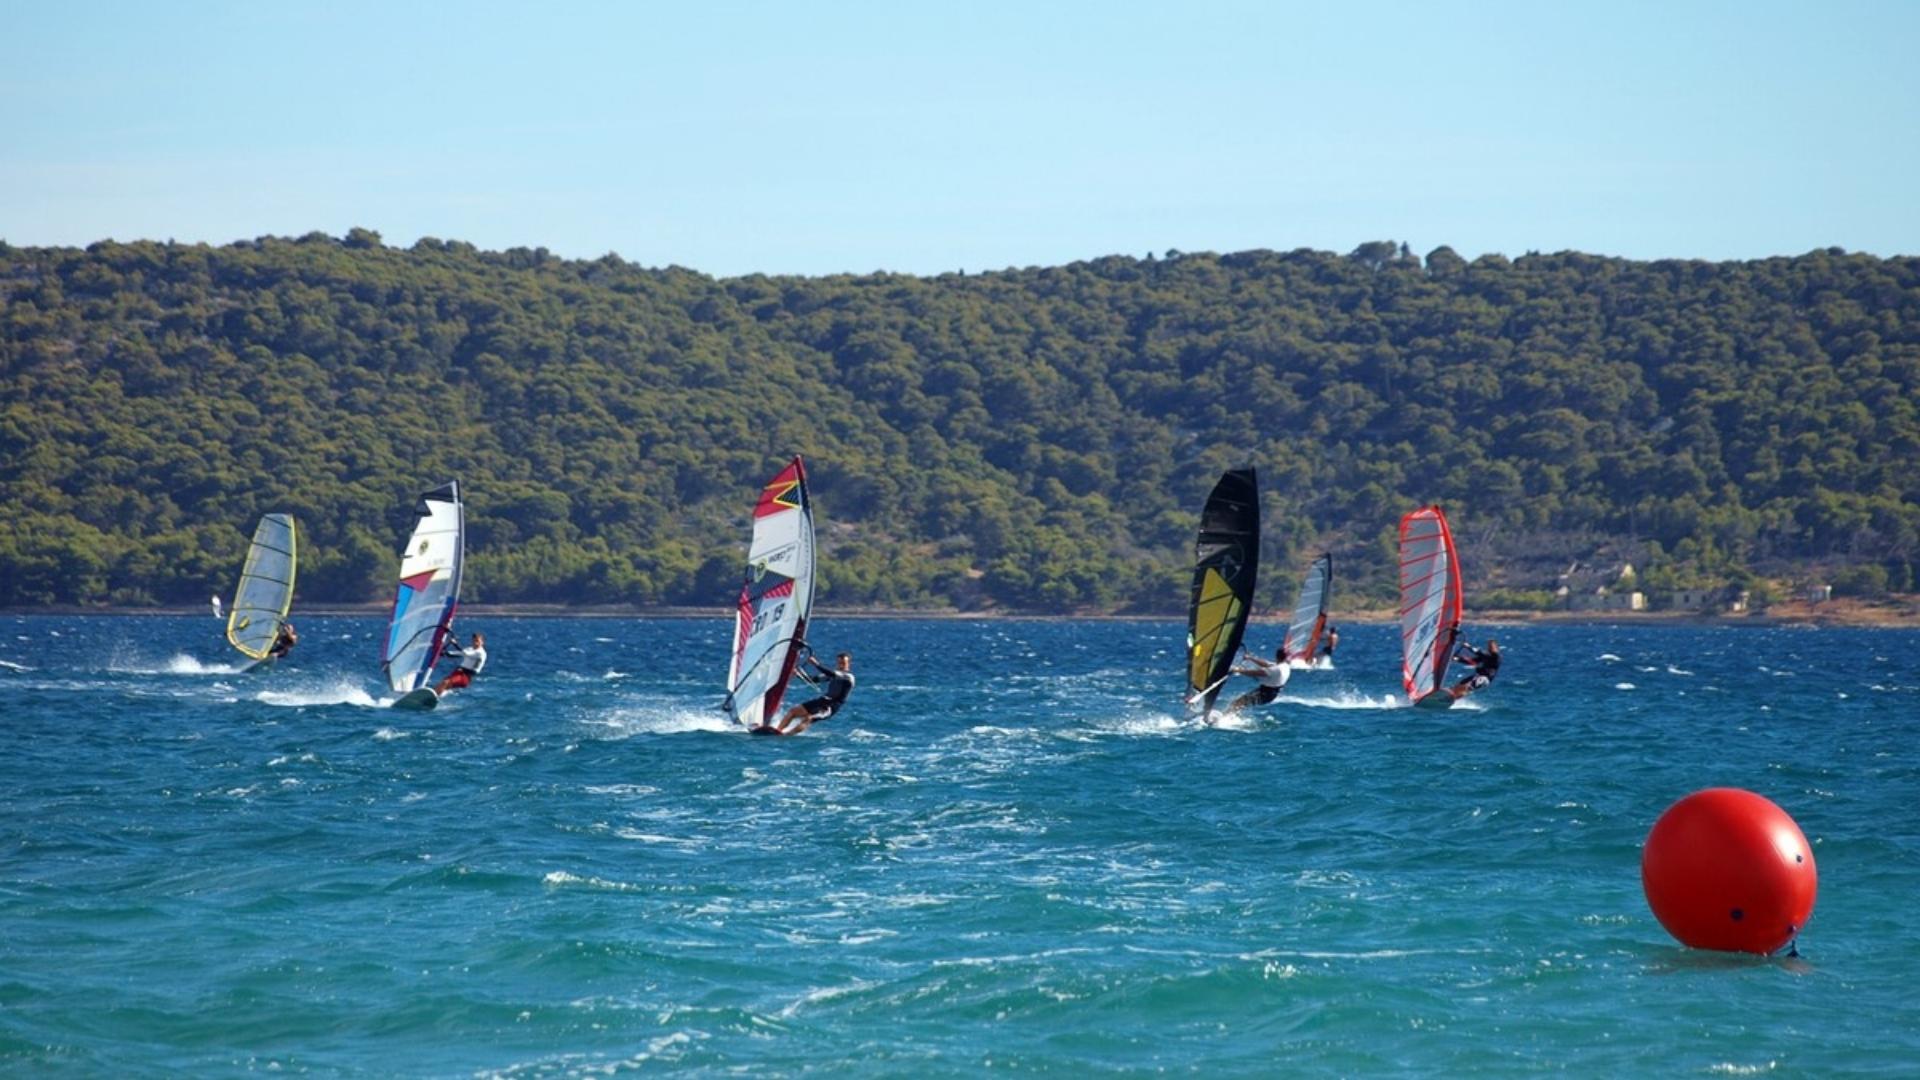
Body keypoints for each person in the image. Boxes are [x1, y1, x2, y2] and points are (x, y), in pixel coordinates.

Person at [773, 651, 854, 734]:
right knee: (793, 711)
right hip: (823, 700)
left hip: (831, 706)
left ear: (849, 664)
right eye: (839, 663)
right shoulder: (834, 674)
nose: (841, 665)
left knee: (809, 718)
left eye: (843, 663)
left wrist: (816, 664)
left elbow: (831, 673)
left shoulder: (848, 677)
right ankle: (777, 731)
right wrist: (798, 674)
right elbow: (813, 680)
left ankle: (786, 735)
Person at [1225, 645, 1290, 713]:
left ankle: (1224, 718)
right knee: (1240, 703)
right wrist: (1250, 658)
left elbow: (1255, 673)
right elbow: (1266, 664)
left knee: (1237, 703)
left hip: (1265, 694)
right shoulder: (1285, 666)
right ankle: (1228, 716)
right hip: (1269, 693)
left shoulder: (1276, 669)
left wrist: (1238, 670)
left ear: (1276, 655)